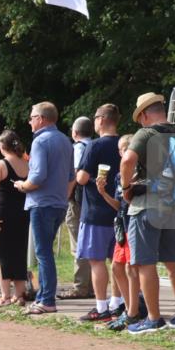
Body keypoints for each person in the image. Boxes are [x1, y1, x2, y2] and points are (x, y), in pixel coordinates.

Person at [121, 92, 175, 334]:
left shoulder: (146, 133)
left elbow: (127, 160)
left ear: (143, 115)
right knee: (174, 261)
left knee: (145, 263)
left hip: (147, 204)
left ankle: (153, 318)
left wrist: (125, 188)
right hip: (173, 206)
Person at [13, 102, 74, 315]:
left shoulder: (40, 141)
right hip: (58, 203)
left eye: (32, 117)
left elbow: (37, 177)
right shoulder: (66, 141)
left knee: (43, 253)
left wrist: (22, 185)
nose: (29, 121)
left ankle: (47, 299)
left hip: (41, 203)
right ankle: (43, 297)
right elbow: (70, 176)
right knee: (46, 252)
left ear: (41, 119)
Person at [73, 104, 124, 321]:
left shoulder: (93, 146)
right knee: (117, 260)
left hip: (95, 211)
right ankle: (118, 302)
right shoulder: (125, 145)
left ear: (101, 120)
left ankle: (101, 307)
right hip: (119, 210)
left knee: (96, 261)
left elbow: (82, 178)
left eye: (95, 118)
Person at [97, 135, 142, 331]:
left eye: (126, 147)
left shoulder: (139, 174)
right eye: (121, 149)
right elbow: (119, 205)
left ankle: (134, 310)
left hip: (134, 224)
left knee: (131, 269)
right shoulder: (118, 176)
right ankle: (130, 307)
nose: (122, 151)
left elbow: (135, 202)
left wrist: (128, 189)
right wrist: (103, 193)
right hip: (121, 225)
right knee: (116, 267)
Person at [0, 130, 30, 308]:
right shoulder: (26, 164)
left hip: (1, 213)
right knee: (19, 252)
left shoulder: (0, 165)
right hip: (22, 213)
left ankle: (5, 296)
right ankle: (19, 295)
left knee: (2, 254)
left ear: (2, 147)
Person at [59, 117, 94, 300]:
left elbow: (74, 177)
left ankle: (81, 286)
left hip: (78, 202)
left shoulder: (78, 149)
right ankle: (90, 285)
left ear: (75, 132)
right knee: (90, 244)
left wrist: (65, 197)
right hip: (94, 202)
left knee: (78, 245)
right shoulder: (95, 146)